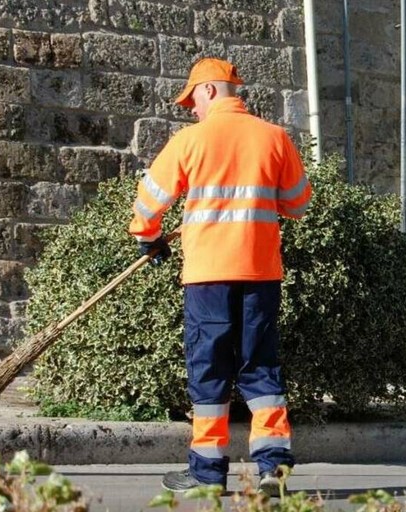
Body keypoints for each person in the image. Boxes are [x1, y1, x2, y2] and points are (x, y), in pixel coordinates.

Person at [128, 57, 312, 496]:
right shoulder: (275, 138)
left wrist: (148, 237)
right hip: (260, 272)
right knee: (260, 368)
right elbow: (299, 203)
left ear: (210, 90)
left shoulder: (190, 140)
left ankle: (207, 474)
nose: (191, 108)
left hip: (208, 276)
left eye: (192, 98)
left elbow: (149, 202)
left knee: (209, 370)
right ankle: (272, 471)